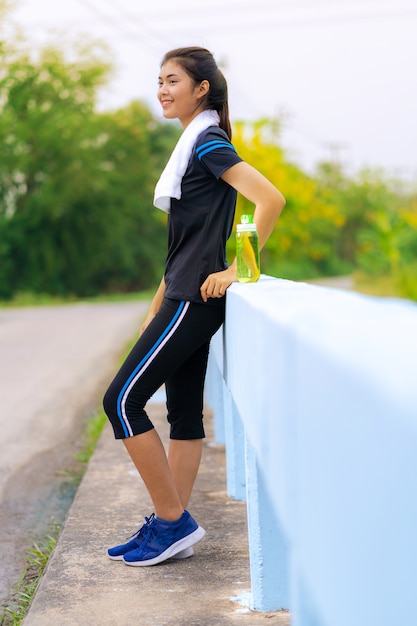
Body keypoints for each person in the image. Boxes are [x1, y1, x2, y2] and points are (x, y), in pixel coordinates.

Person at [103, 46, 285, 567]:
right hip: (179, 296)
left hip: (194, 299)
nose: (162, 89)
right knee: (182, 414)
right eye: (158, 80)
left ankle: (174, 520)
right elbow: (181, 246)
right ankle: (169, 526)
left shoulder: (206, 143)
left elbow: (269, 198)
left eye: (172, 81)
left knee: (121, 401)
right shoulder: (193, 145)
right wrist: (155, 304)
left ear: (201, 88)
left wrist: (236, 269)